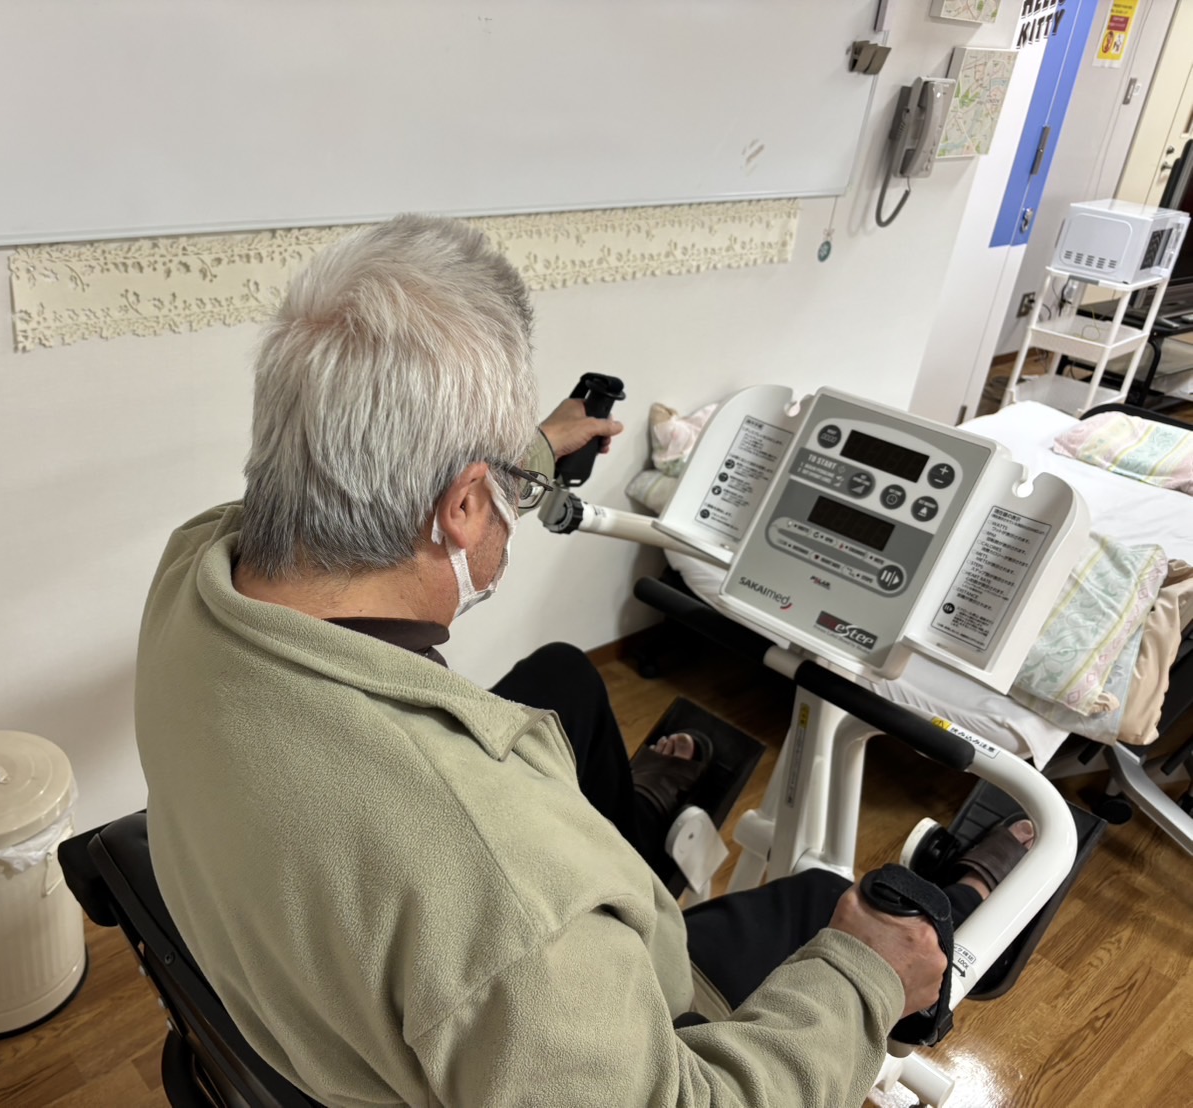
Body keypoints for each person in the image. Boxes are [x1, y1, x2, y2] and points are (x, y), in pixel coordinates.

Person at [135, 214, 1031, 1106]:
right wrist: (862, 978)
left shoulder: (198, 570)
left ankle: (636, 836)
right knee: (833, 902)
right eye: (499, 489)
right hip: (629, 1042)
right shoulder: (510, 898)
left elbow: (354, 470)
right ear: (460, 505)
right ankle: (957, 897)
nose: (511, 498)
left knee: (562, 677)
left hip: (298, 931)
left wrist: (522, 455)